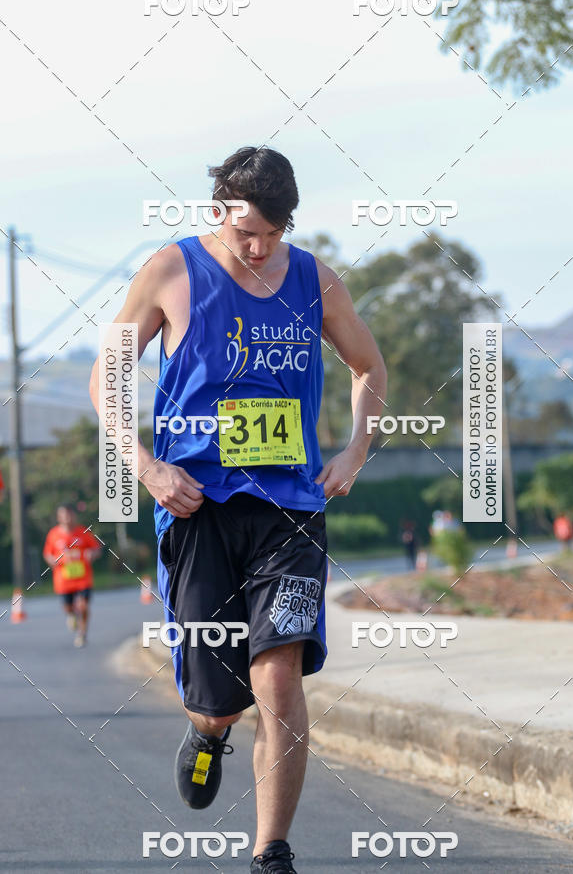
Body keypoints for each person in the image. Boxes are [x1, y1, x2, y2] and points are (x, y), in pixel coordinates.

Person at [89, 146, 387, 873]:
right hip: (197, 508)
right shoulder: (171, 270)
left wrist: (353, 454)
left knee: (279, 674)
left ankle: (271, 853)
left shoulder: (314, 280)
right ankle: (210, 732)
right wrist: (147, 466)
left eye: (273, 233)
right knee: (221, 701)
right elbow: (108, 375)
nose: (260, 247)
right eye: (247, 230)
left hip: (289, 509)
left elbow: (369, 366)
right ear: (219, 209)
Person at [43, 504, 102, 647]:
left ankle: (82, 634)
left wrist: (91, 554)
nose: (67, 518)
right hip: (63, 579)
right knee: (68, 608)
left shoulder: (83, 532)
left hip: (83, 578)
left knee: (83, 606)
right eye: (63, 515)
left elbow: (96, 549)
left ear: (74, 516)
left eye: (69, 514)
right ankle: (70, 615)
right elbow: (47, 554)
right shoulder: (53, 534)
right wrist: (53, 561)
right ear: (59, 517)